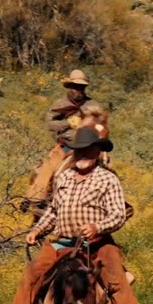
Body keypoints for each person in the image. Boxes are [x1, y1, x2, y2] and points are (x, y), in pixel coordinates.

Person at [10, 126, 150, 304]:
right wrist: (37, 230)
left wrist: (98, 226)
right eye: (79, 150)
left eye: (89, 150)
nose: (83, 154)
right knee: (31, 276)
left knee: (118, 284)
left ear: (97, 152)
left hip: (98, 245)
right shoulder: (63, 178)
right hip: (62, 243)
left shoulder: (108, 179)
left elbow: (118, 214)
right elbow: (53, 212)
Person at [25, 70, 94, 214]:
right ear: (69, 87)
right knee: (47, 168)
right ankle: (37, 199)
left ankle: (117, 204)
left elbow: (101, 124)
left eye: (81, 87)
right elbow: (49, 124)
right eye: (75, 86)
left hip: (89, 145)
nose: (78, 90)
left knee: (108, 168)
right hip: (67, 145)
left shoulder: (92, 105)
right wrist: (67, 123)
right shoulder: (60, 104)